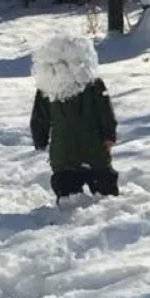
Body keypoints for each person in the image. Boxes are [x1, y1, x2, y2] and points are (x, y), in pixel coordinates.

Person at [30, 34, 119, 201]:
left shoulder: (93, 85)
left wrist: (109, 134)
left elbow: (105, 111)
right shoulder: (47, 89)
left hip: (94, 147)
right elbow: (40, 116)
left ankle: (107, 204)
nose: (62, 68)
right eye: (57, 64)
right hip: (64, 151)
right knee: (66, 191)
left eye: (66, 63)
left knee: (105, 189)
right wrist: (39, 138)